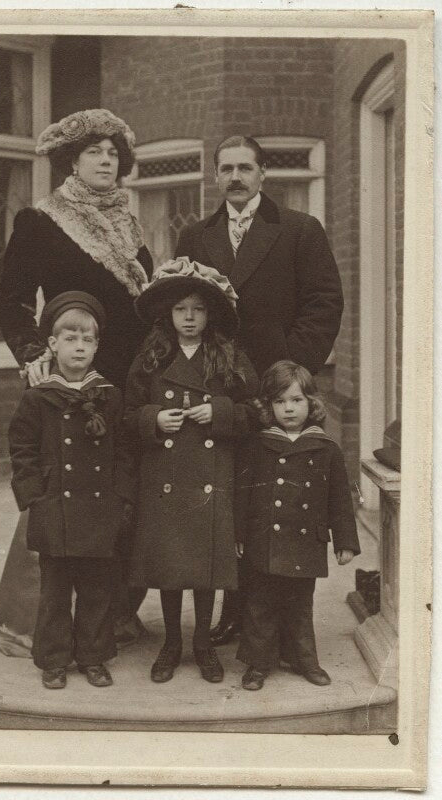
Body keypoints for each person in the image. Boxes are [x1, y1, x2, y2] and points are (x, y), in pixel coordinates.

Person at [0, 109, 153, 655]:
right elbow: (10, 300)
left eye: (113, 153)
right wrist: (35, 353)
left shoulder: (130, 225)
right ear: (72, 161)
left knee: (117, 497)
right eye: (94, 152)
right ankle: (28, 623)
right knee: (58, 496)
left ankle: (107, 622)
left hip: (125, 383)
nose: (106, 161)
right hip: (68, 373)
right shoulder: (41, 221)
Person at [175, 134, 344, 646]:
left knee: (274, 503)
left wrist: (291, 372)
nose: (235, 178)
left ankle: (280, 624)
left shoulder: (298, 230)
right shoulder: (196, 236)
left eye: (245, 167)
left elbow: (324, 304)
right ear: (215, 176)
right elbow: (181, 307)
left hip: (273, 392)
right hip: (217, 394)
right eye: (225, 168)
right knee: (227, 501)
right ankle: (233, 612)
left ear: (263, 173)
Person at [124, 258, 259, 684]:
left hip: (211, 475)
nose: (188, 317)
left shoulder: (228, 357)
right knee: (168, 565)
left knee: (204, 567)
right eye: (181, 308)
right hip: (163, 474)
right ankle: (171, 644)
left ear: (210, 314)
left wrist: (217, 411)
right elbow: (124, 416)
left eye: (198, 309)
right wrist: (153, 420)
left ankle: (202, 642)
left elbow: (255, 411)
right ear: (168, 312)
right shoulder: (149, 357)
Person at [8, 291, 135, 689]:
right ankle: (54, 660)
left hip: (100, 512)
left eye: (87, 340)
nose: (79, 347)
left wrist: (121, 499)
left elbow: (125, 452)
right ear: (52, 344)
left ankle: (93, 657)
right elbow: (22, 450)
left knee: (98, 590)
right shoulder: (37, 398)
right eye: (70, 338)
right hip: (55, 510)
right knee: (56, 593)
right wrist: (35, 498)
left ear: (97, 346)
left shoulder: (109, 396)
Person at [234, 360, 360, 691]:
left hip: (305, 542)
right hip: (265, 539)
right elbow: (243, 494)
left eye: (296, 400)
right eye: (279, 401)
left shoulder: (326, 448)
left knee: (300, 605)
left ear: (311, 403)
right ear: (268, 406)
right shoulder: (258, 445)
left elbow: (339, 499)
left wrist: (345, 541)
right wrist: (238, 535)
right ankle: (258, 664)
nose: (288, 409)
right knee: (260, 604)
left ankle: (304, 659)